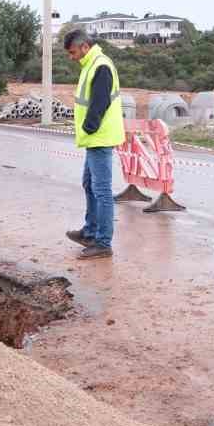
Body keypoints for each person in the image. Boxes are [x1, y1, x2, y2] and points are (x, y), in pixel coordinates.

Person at [62, 28, 124, 260]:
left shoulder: (100, 65)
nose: (72, 56)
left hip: (100, 137)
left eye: (73, 52)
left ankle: (103, 243)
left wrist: (89, 126)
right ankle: (90, 232)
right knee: (89, 184)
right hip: (94, 138)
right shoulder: (91, 63)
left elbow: (99, 102)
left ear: (84, 47)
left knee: (101, 191)